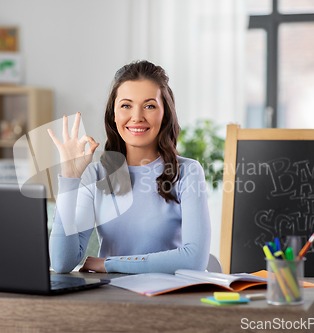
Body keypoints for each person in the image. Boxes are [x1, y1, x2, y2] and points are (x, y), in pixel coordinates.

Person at [48, 60, 211, 274]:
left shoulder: (188, 172)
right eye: (126, 105)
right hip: (112, 299)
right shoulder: (95, 174)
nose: (137, 117)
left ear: (165, 115)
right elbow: (62, 263)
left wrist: (109, 264)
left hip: (168, 298)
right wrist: (69, 178)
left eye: (149, 106)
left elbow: (195, 260)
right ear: (113, 115)